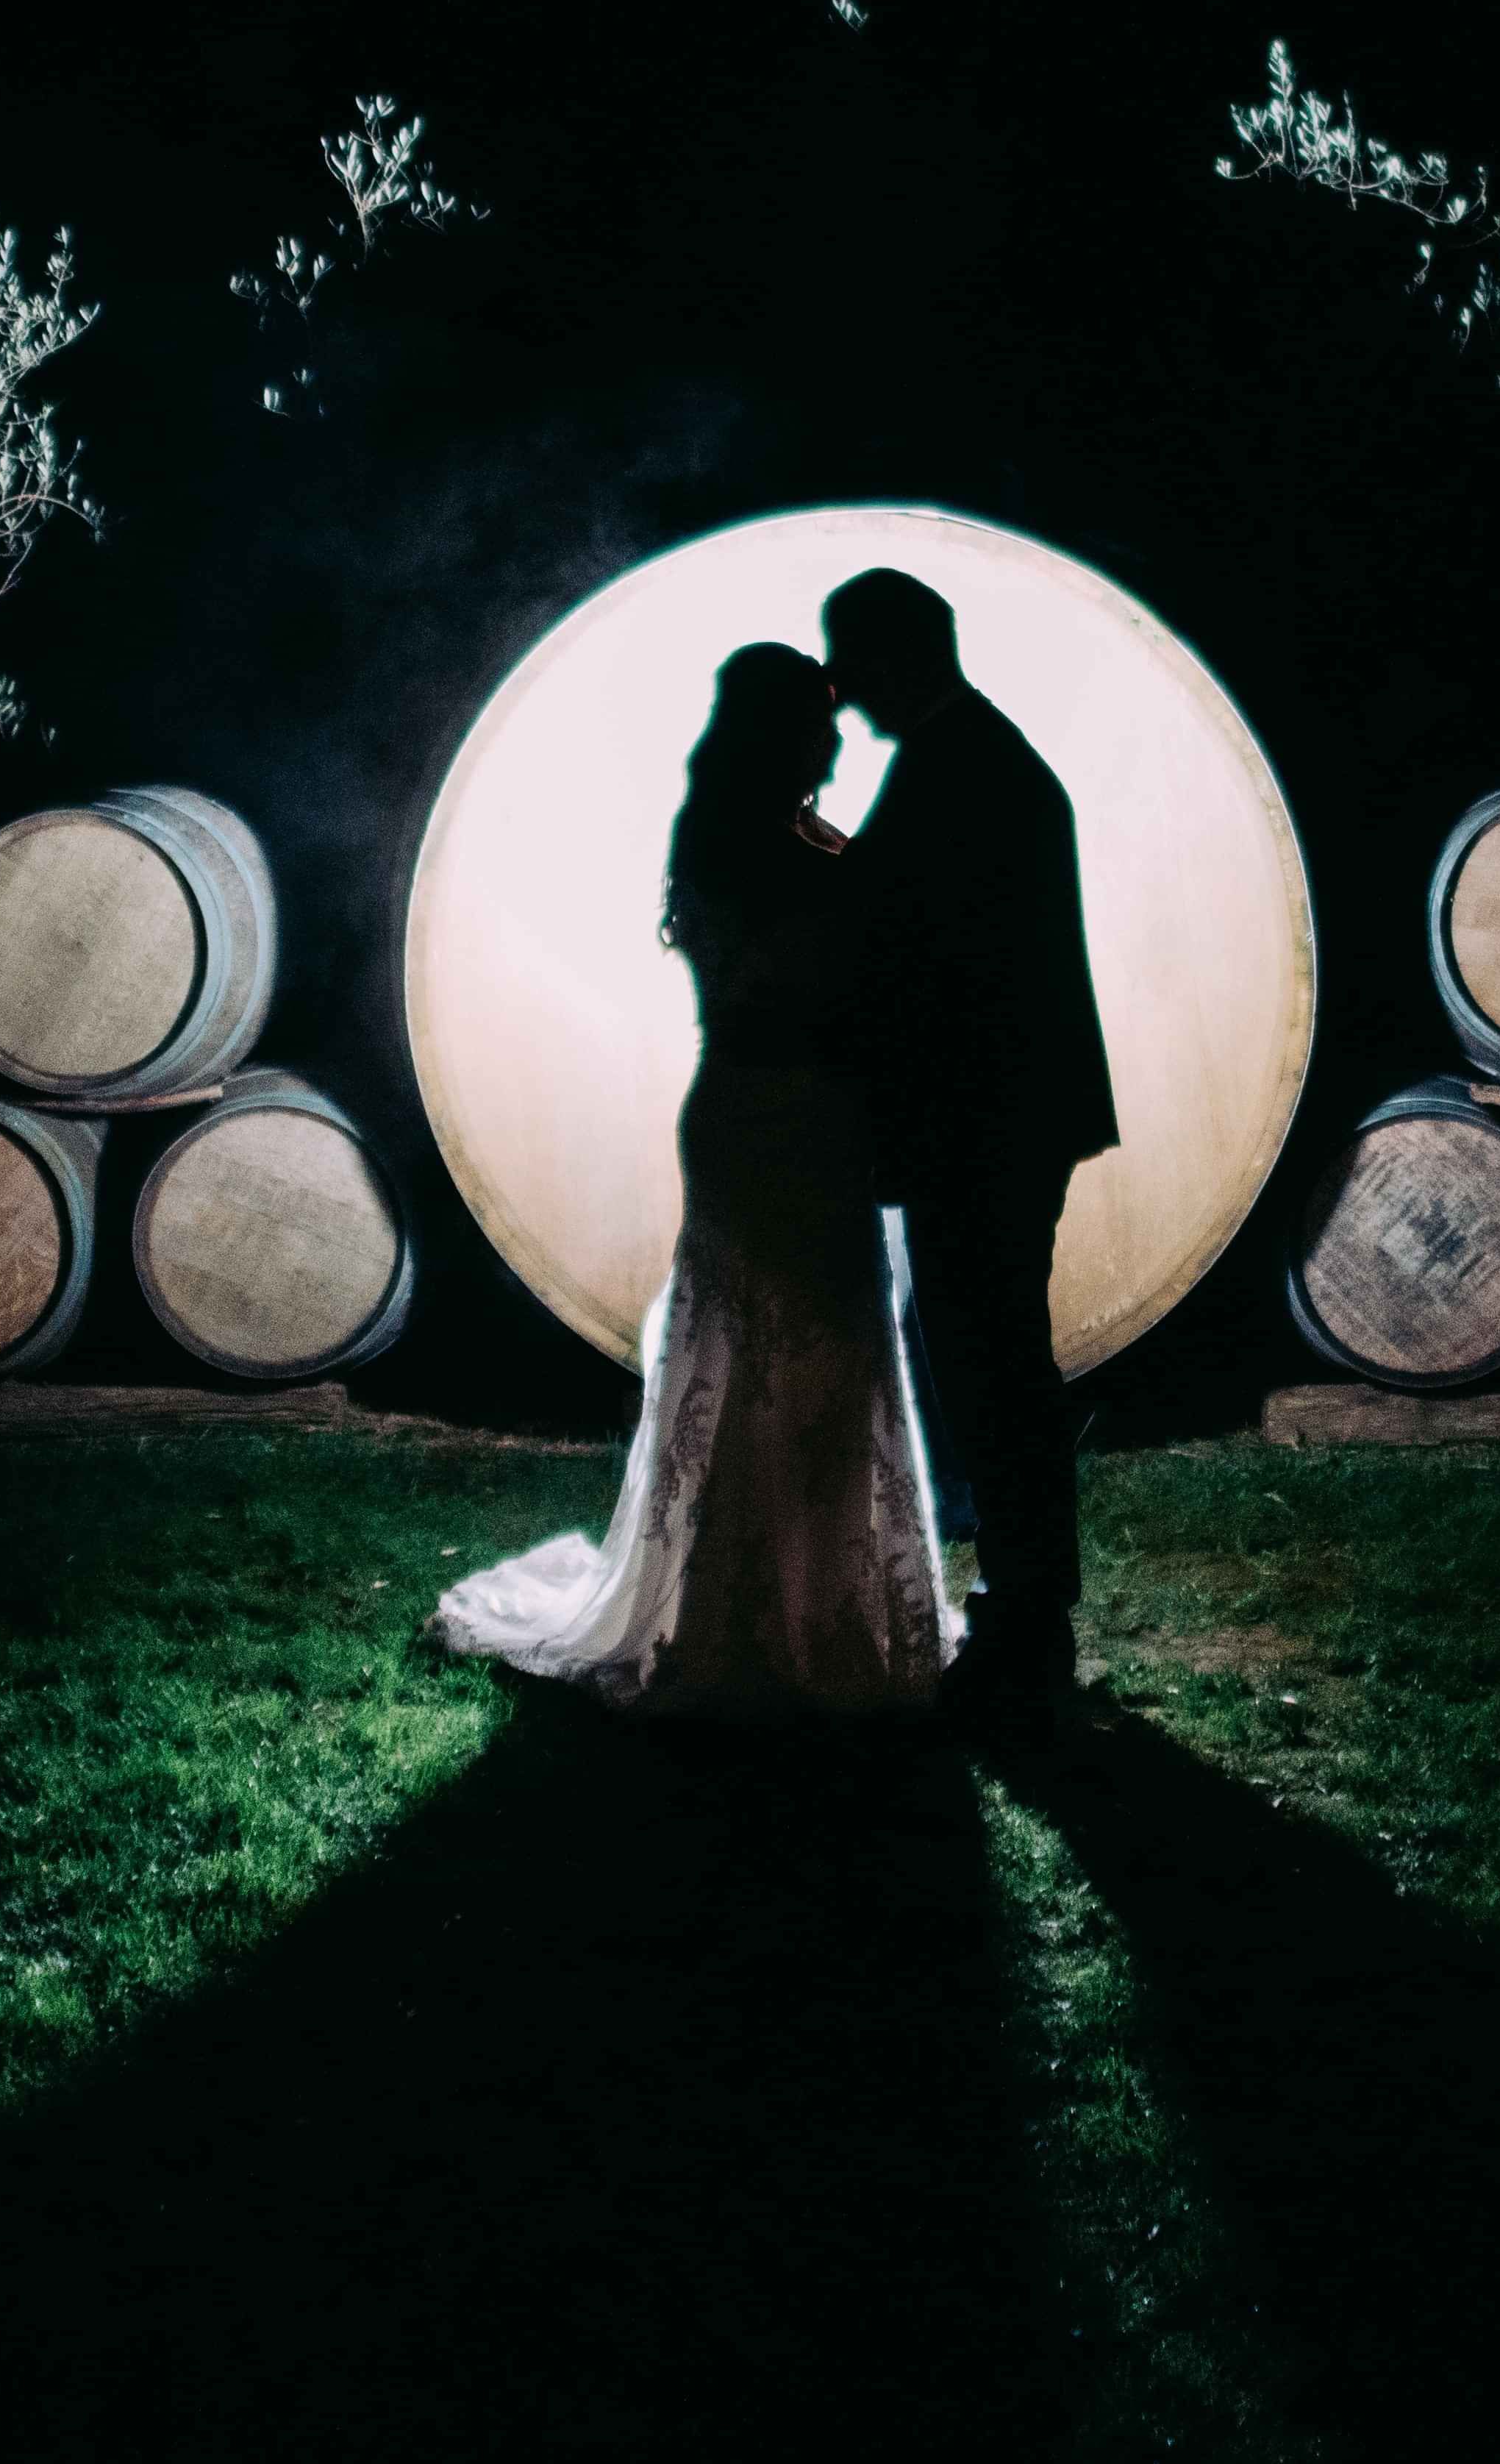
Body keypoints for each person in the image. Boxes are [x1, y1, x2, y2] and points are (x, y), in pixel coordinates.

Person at [431, 643, 956, 1712]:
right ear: (777, 729)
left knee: (836, 1360)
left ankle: (830, 1602)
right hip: (767, 1114)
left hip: (822, 1119)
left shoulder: (800, 836)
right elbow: (773, 990)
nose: (839, 733)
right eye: (820, 717)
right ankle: (746, 1616)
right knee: (764, 1351)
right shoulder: (732, 842)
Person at [821, 568, 1116, 1728]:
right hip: (1004, 1119)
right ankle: (1024, 1608)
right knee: (993, 1357)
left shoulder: (960, 768)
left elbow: (897, 932)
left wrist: (794, 847)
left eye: (851, 669)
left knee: (993, 1362)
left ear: (900, 654)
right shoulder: (979, 756)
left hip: (983, 1125)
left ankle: (1024, 1618)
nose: (843, 699)